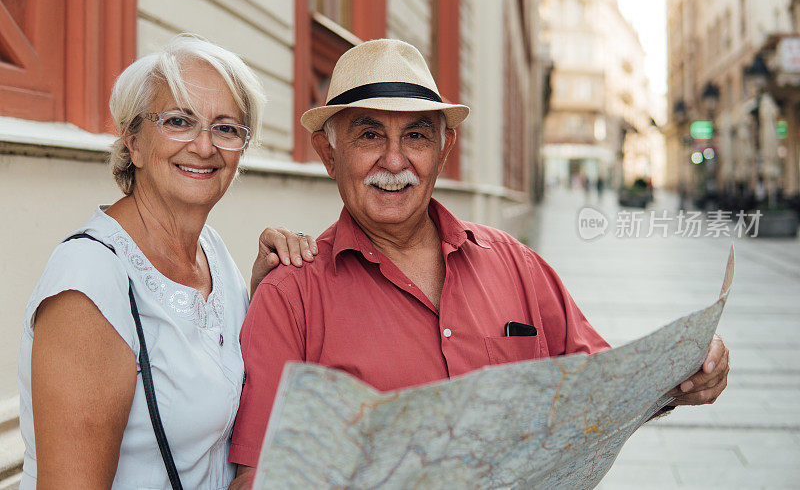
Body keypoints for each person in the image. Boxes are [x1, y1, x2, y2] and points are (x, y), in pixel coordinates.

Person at [229, 39, 731, 482]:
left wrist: (681, 373)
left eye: (417, 135)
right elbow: (257, 476)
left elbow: (604, 388)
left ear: (444, 149)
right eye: (369, 134)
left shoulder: (514, 263)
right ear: (328, 152)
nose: (395, 160)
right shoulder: (289, 294)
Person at [18, 35, 317, 489]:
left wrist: (264, 294)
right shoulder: (91, 283)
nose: (203, 146)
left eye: (226, 128)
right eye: (179, 121)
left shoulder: (211, 252)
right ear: (133, 143)